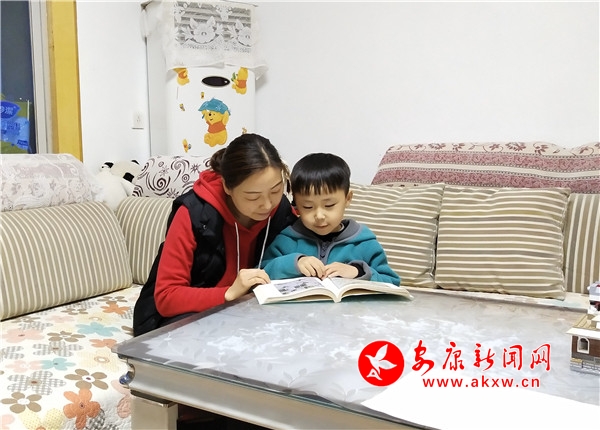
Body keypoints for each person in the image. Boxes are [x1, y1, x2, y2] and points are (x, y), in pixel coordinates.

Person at [133, 133, 297, 337]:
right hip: (177, 317)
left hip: (245, 311)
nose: (267, 204)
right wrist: (229, 293)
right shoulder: (193, 213)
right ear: (227, 186)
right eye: (252, 197)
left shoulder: (280, 209)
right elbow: (167, 297)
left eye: (275, 190)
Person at [261, 153, 400, 285]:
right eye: (308, 207)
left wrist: (358, 272)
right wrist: (294, 263)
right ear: (296, 204)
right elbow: (261, 273)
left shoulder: (364, 243)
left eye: (329, 205)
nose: (319, 216)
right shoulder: (287, 240)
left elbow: (392, 282)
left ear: (348, 198)